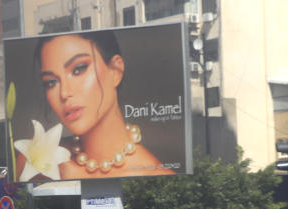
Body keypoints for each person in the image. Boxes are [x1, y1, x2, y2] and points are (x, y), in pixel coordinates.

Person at [15, 31, 175, 181]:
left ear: (115, 70)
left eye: (78, 69)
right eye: (51, 82)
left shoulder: (157, 175)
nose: (64, 93)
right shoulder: (34, 159)